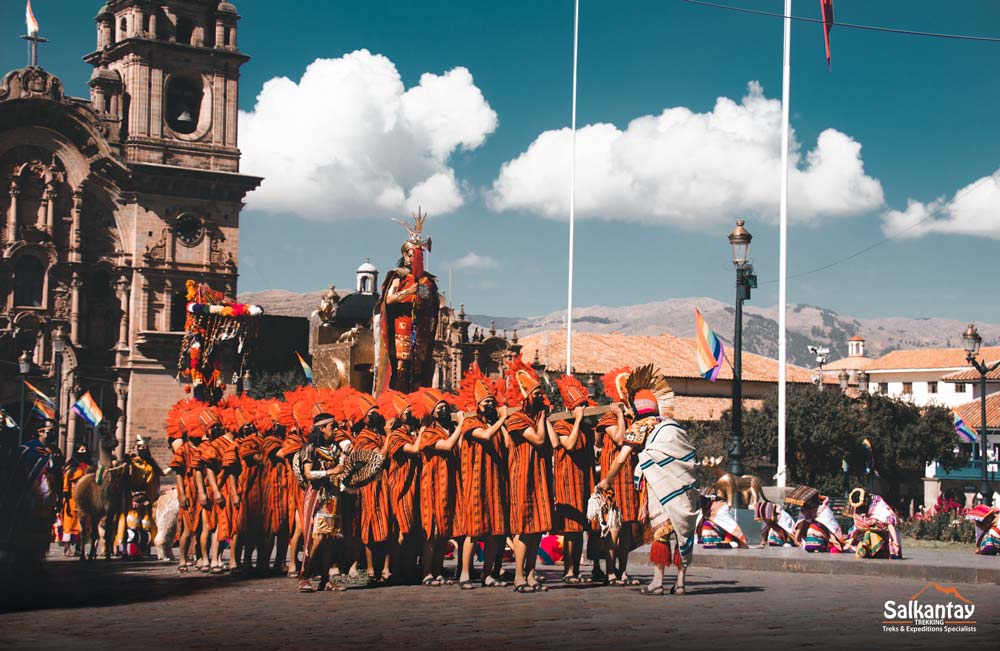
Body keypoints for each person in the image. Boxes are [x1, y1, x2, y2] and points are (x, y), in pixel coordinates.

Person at [597, 364, 700, 596]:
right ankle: (681, 583)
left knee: (662, 532)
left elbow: (622, 457)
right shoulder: (674, 427)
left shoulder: (640, 427)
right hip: (685, 486)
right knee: (682, 533)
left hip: (660, 488)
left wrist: (607, 481)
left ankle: (657, 582)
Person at [455, 363, 509, 590]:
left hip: (493, 483)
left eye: (492, 402)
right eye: (486, 403)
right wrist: (502, 420)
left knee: (495, 533)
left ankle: (488, 574)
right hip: (476, 483)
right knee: (473, 532)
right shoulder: (470, 422)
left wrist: (501, 422)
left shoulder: (493, 423)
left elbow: (506, 443)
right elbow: (486, 436)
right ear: (477, 405)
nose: (490, 405)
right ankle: (466, 574)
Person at [374, 209, 439, 394]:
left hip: (421, 328)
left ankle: (417, 398)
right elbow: (389, 299)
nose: (415, 258)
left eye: (418, 255)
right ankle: (398, 398)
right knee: (402, 365)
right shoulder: (398, 276)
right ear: (405, 255)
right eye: (411, 254)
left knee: (418, 366)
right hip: (402, 325)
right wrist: (408, 291)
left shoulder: (428, 280)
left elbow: (435, 304)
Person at [504, 356, 554, 593]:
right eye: (535, 394)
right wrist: (543, 419)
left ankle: (532, 575)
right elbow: (539, 439)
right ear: (525, 396)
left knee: (537, 529)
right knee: (524, 528)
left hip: (539, 476)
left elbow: (552, 443)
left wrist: (544, 418)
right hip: (522, 477)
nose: (540, 398)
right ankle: (518, 576)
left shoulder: (535, 418)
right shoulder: (516, 419)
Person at [595, 367, 642, 586]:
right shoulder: (608, 418)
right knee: (613, 526)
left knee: (626, 529)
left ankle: (623, 570)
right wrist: (621, 415)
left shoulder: (636, 419)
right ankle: (610, 571)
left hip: (629, 477)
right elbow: (621, 439)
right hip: (612, 477)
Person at [548, 375, 594, 584]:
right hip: (567, 481)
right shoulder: (561, 425)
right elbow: (569, 445)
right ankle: (568, 570)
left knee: (580, 531)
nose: (582, 410)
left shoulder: (584, 426)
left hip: (583, 480)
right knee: (569, 529)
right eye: (578, 407)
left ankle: (576, 569)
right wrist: (576, 420)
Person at [413, 388, 461, 586]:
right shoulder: (429, 433)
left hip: (447, 485)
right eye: (439, 408)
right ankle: (426, 572)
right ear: (432, 413)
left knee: (443, 531)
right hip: (431, 485)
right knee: (431, 531)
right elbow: (447, 446)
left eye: (445, 407)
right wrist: (462, 425)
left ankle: (438, 569)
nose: (444, 411)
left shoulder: (446, 431)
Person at [345, 392, 393, 584]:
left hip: (385, 484)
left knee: (388, 525)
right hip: (370, 485)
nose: (376, 416)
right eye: (371, 413)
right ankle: (372, 569)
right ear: (364, 419)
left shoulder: (379, 434)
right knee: (371, 526)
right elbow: (378, 459)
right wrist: (390, 437)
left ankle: (386, 568)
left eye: (376, 412)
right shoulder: (364, 437)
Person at [297, 412, 346, 593]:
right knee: (316, 537)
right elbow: (309, 474)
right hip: (317, 495)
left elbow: (342, 467)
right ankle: (304, 576)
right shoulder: (310, 448)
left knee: (329, 539)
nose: (335, 430)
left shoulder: (336, 448)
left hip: (332, 496)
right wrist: (330, 472)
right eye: (332, 427)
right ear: (321, 428)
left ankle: (325, 580)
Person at [381, 389, 423, 585]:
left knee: (411, 530)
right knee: (401, 530)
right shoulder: (397, 436)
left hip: (413, 486)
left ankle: (408, 568)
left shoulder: (410, 434)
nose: (413, 415)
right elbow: (414, 450)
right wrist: (423, 430)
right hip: (399, 486)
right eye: (409, 412)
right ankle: (395, 570)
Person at [843, 488, 902, 559]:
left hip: (885, 535)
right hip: (868, 533)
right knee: (865, 533)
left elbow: (890, 523)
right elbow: (857, 527)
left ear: (866, 501)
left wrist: (895, 542)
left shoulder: (878, 505)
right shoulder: (860, 509)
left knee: (869, 534)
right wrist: (851, 540)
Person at [786, 487, 844, 553]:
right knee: (809, 528)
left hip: (825, 533)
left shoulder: (824, 509)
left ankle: (822, 544)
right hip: (808, 533)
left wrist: (834, 541)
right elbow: (800, 523)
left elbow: (830, 527)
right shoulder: (804, 510)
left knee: (813, 527)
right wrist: (796, 539)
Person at [60, 443, 91, 557]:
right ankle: (67, 547)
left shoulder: (89, 467)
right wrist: (65, 494)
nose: (83, 452)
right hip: (72, 497)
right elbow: (66, 481)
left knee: (83, 523)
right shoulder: (71, 468)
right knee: (69, 523)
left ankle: (79, 547)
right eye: (80, 450)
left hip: (85, 498)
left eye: (84, 450)